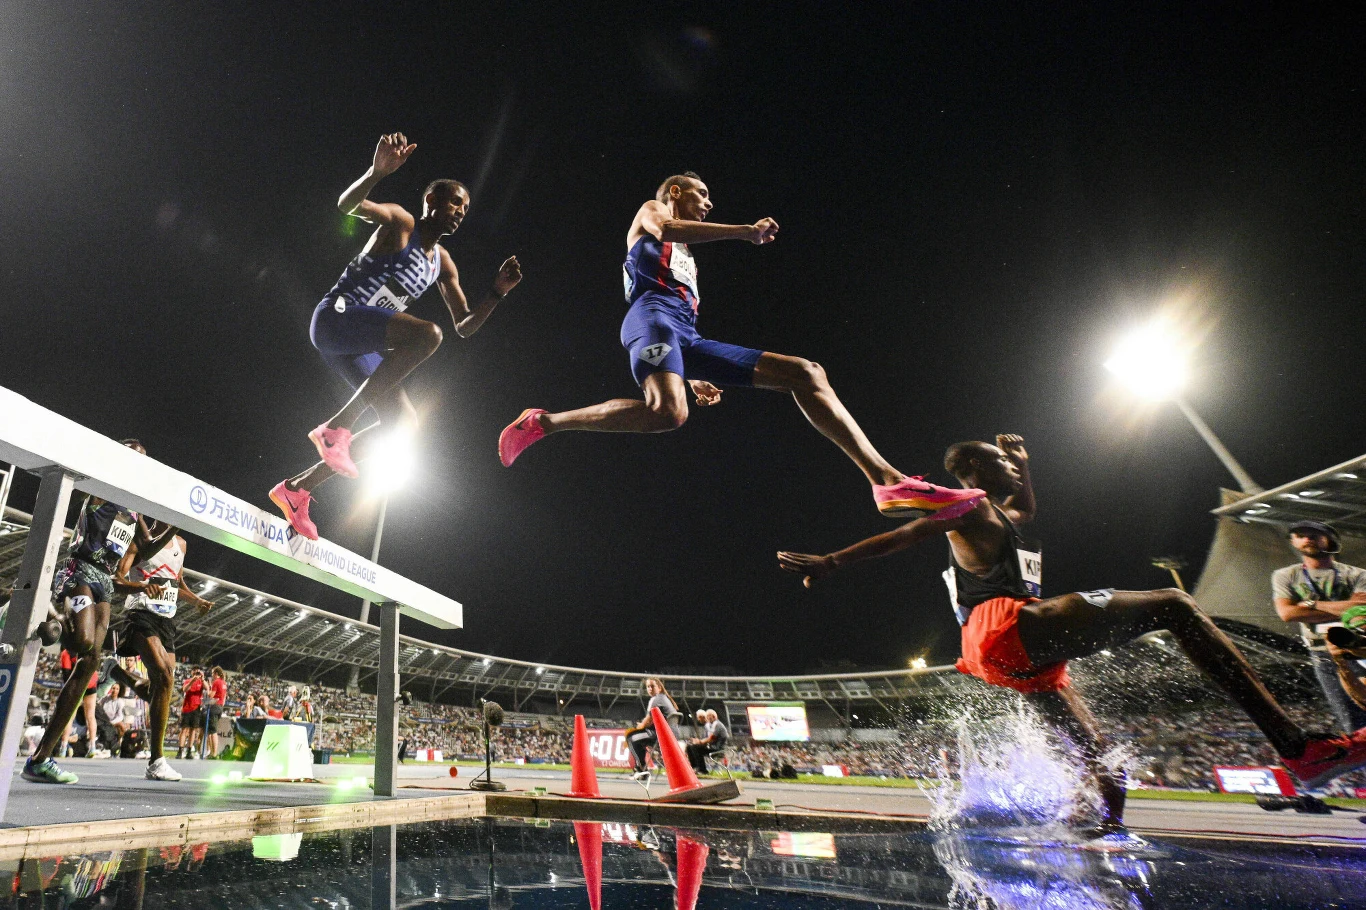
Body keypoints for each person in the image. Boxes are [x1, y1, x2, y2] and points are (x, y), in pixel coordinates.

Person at [778, 434, 1366, 832]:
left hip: (1008, 657)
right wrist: (833, 562)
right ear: (980, 471)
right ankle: (1299, 750)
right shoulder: (965, 506)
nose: (1014, 470)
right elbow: (904, 536)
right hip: (1007, 626)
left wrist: (1025, 464)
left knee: (1105, 774)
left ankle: (1096, 830)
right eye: (1004, 464)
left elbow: (1026, 507)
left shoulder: (999, 514)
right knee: (1175, 603)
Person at [498, 172, 983, 521]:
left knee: (807, 373)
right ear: (675, 191)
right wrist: (743, 231)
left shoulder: (687, 258)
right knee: (669, 414)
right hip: (649, 318)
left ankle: (887, 481)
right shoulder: (654, 213)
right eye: (702, 194)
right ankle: (542, 422)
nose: (708, 203)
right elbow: (666, 234)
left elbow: (681, 327)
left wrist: (692, 369)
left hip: (683, 334)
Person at [269, 132, 522, 540]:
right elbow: (347, 206)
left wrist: (495, 293)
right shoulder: (401, 223)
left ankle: (296, 490)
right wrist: (375, 172)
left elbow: (465, 325)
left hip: (360, 343)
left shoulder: (443, 263)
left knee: (403, 423)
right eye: (454, 201)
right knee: (427, 335)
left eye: (466, 207)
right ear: (431, 202)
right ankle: (336, 428)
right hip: (336, 319)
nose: (460, 210)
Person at [22, 440, 175, 785]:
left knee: (89, 663)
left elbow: (147, 547)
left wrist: (177, 523)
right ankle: (54, 623)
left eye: (140, 458)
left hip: (105, 582)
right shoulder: (102, 486)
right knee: (82, 643)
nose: (134, 463)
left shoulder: (135, 510)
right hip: (81, 569)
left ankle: (40, 759)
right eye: (129, 456)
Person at [106, 520, 212, 779]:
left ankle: (119, 674)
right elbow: (118, 578)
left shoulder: (181, 544)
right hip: (140, 613)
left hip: (167, 620)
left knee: (160, 688)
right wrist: (141, 586)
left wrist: (195, 599)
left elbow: (177, 581)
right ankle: (156, 761)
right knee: (164, 676)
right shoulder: (140, 541)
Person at [1272, 520, 1366, 732]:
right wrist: (1345, 608)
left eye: (1314, 535)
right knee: (1350, 720)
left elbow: (1361, 607)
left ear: (1329, 540)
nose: (1308, 539)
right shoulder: (1285, 575)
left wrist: (1312, 605)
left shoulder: (1357, 574)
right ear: (1293, 542)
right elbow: (1287, 613)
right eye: (1301, 535)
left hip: (1358, 649)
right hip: (1321, 654)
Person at [625, 678, 683, 779]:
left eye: (652, 686)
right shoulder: (664, 698)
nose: (650, 689)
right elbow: (652, 721)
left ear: (659, 688)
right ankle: (642, 769)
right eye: (648, 686)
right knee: (638, 738)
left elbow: (647, 721)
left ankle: (640, 770)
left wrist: (640, 726)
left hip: (661, 736)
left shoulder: (656, 699)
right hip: (670, 735)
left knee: (631, 737)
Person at [687, 708, 729, 774]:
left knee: (696, 748)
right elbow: (707, 738)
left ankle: (702, 770)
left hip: (717, 749)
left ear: (714, 716)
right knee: (690, 747)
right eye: (707, 717)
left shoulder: (718, 725)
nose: (708, 718)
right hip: (712, 747)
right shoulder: (711, 725)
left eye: (709, 717)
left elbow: (711, 738)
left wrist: (700, 742)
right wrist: (698, 741)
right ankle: (695, 767)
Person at [177, 667, 206, 760]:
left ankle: (189, 750)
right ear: (191, 672)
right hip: (187, 708)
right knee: (184, 730)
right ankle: (180, 750)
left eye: (198, 671)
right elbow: (185, 689)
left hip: (196, 708)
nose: (196, 673)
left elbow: (207, 688)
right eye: (195, 671)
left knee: (193, 730)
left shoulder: (201, 682)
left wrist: (203, 678)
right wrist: (192, 680)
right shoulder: (187, 681)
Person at [206, 667, 227, 757]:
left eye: (212, 673)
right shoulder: (223, 683)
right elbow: (224, 696)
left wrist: (208, 688)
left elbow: (211, 695)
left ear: (216, 673)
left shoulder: (216, 682)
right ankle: (212, 753)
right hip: (220, 707)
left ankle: (214, 753)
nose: (212, 675)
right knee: (211, 731)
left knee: (213, 731)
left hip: (214, 706)